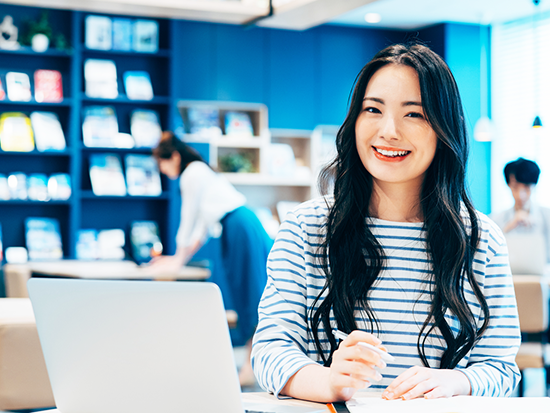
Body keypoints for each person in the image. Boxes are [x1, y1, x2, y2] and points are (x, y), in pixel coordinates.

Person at [251, 43, 520, 403]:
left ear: (444, 129)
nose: (389, 131)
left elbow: (501, 367)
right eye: (373, 109)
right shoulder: (305, 228)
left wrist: (455, 382)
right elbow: (269, 351)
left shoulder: (480, 238)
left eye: (414, 114)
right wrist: (330, 381)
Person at [150, 132, 273, 381]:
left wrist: (176, 258)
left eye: (161, 163)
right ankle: (250, 366)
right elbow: (200, 231)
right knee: (245, 293)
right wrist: (178, 259)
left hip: (239, 226)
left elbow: (188, 218)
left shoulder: (191, 173)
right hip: (238, 226)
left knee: (250, 293)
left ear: (173, 157)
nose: (162, 170)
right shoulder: (199, 173)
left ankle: (252, 367)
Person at [491, 157, 550, 262]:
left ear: (534, 185)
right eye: (515, 187)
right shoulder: (494, 220)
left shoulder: (547, 216)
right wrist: (508, 227)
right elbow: (489, 254)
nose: (520, 195)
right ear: (508, 185)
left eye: (526, 187)